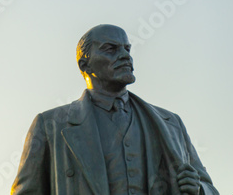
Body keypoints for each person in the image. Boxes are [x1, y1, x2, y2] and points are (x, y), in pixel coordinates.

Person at [11, 24, 218, 195]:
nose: (125, 56)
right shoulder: (51, 126)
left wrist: (199, 189)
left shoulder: (171, 124)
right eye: (111, 49)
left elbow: (210, 188)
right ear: (85, 65)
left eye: (127, 49)